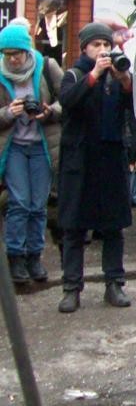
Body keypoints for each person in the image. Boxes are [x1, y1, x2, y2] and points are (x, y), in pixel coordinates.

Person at [56, 22, 134, 312]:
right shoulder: (74, 75)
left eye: (106, 45)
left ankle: (114, 284)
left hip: (111, 160)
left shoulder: (117, 74)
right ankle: (71, 288)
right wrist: (94, 75)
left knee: (113, 226)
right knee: (74, 228)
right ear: (85, 48)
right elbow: (68, 101)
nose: (103, 50)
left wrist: (125, 80)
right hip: (80, 162)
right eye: (96, 45)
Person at [0, 23, 63, 284]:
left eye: (17, 53)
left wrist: (50, 111)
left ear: (27, 50)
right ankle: (15, 257)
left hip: (42, 146)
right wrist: (8, 113)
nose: (13, 59)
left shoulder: (46, 67)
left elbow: (69, 99)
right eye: (7, 54)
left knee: (38, 204)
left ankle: (34, 256)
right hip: (13, 146)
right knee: (19, 202)